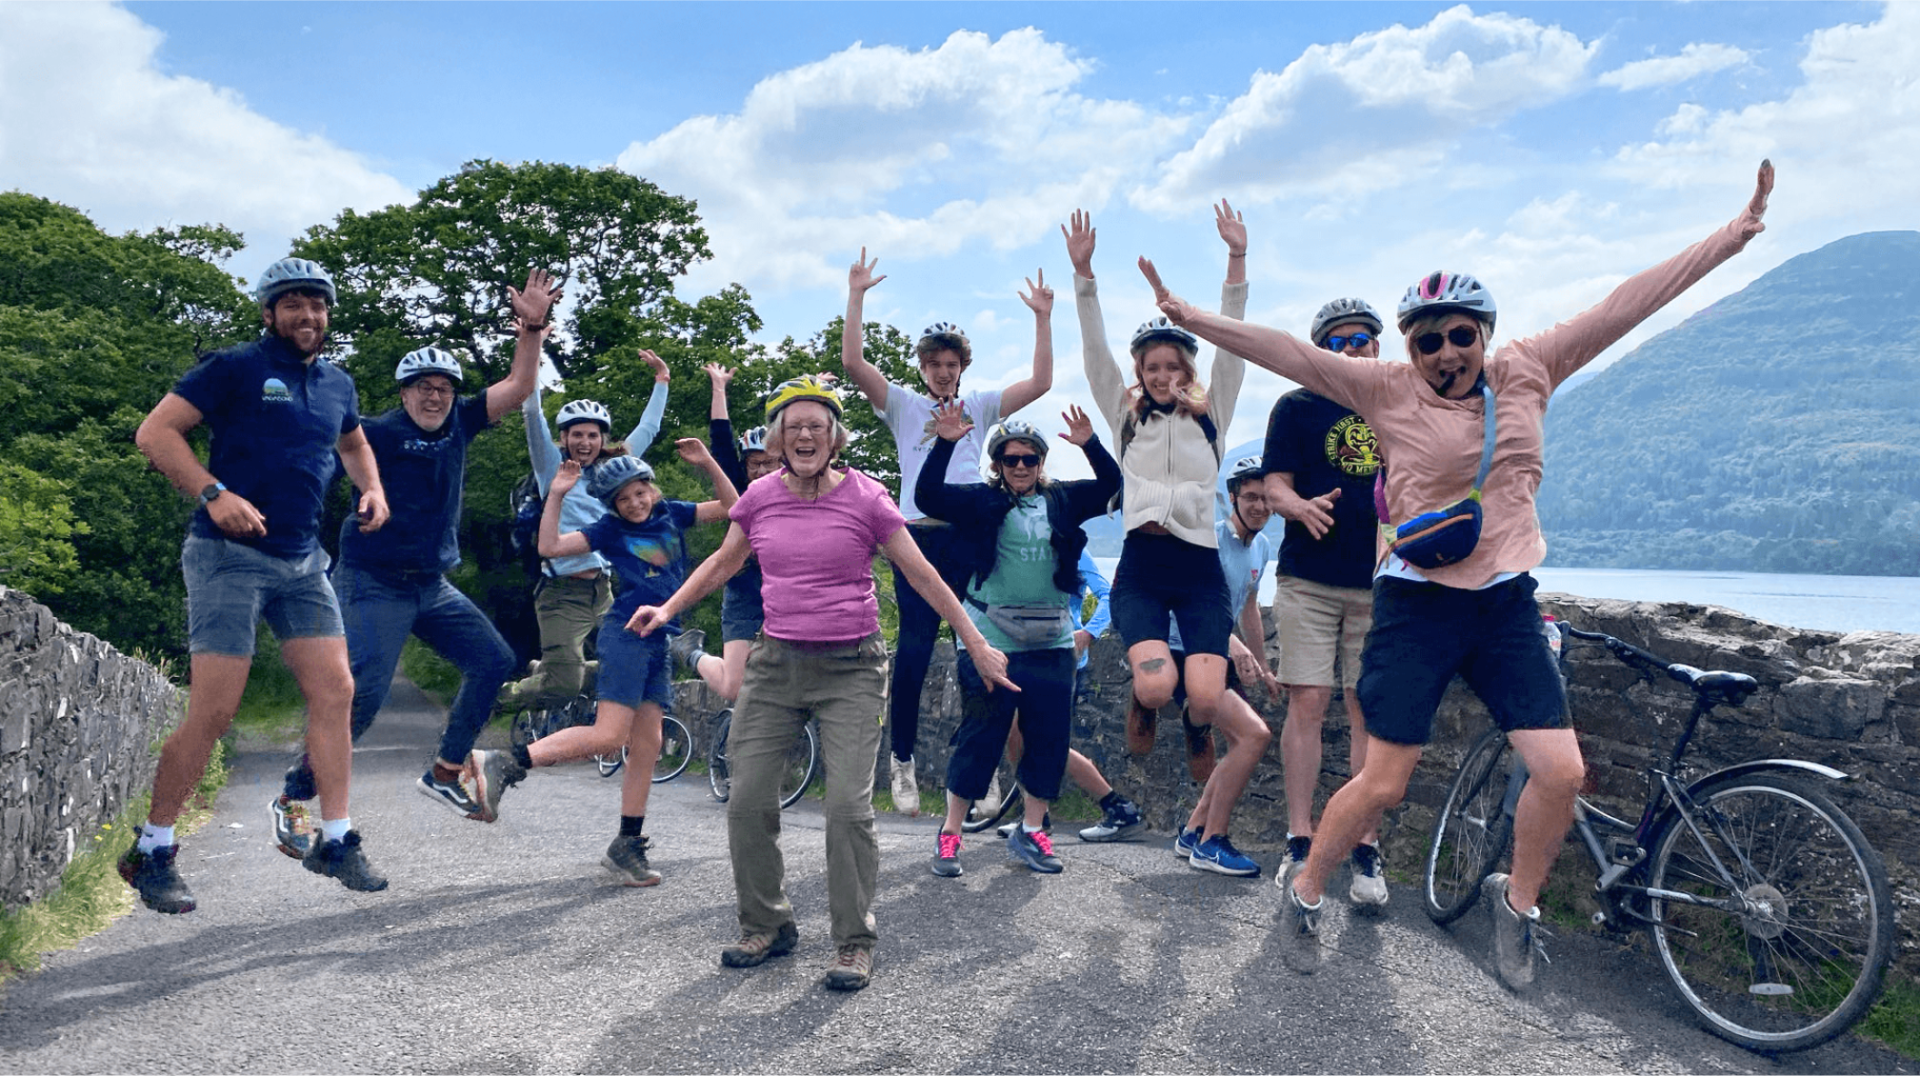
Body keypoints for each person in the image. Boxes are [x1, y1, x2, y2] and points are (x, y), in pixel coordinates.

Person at [1140, 160, 1775, 988]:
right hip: (1415, 601)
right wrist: (1190, 316)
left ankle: (1519, 909)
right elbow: (1288, 352)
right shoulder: (1386, 386)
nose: (1446, 350)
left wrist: (1735, 233)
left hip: (1505, 601)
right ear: (1410, 345)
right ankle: (1307, 887)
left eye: (1460, 333)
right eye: (1427, 337)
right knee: (1384, 781)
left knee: (1563, 770)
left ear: (1485, 332)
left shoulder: (1531, 368)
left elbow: (1629, 302)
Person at [626, 375, 1016, 993]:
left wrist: (974, 640)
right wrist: (668, 610)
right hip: (776, 662)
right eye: (792, 426)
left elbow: (920, 575)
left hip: (852, 667)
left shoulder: (867, 498)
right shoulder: (758, 498)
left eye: (817, 425)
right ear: (778, 438)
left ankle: (854, 941)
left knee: (847, 807)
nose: (804, 434)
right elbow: (724, 562)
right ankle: (768, 924)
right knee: (749, 797)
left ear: (835, 438)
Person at [122, 257, 391, 913]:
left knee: (337, 692)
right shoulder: (234, 368)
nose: (308, 316)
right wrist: (214, 494)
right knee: (215, 710)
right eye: (293, 304)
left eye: (318, 305)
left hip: (303, 561)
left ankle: (335, 837)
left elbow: (352, 444)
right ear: (269, 312)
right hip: (226, 556)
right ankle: (152, 850)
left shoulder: (336, 384)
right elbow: (155, 433)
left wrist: (374, 488)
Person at [271, 271, 559, 848]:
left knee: (493, 661)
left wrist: (531, 328)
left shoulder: (461, 423)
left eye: (444, 387)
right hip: (372, 581)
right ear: (403, 393)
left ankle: (445, 772)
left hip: (432, 585)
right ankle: (293, 796)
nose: (435, 395)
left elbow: (520, 385)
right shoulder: (374, 433)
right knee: (363, 697)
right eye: (422, 386)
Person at [1064, 200, 1257, 875]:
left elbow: (1234, 343)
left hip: (1200, 568)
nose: (1165, 376)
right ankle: (1146, 707)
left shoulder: (1213, 416)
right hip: (1144, 566)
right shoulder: (1125, 421)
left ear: (1190, 371)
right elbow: (1093, 350)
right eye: (1153, 367)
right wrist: (1083, 276)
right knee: (1153, 686)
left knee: (1203, 698)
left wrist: (1235, 261)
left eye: (1176, 367)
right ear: (1140, 372)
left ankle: (1194, 722)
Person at [468, 438, 738, 886]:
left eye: (640, 492)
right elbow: (550, 547)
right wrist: (555, 493)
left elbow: (735, 508)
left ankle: (626, 844)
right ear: (612, 505)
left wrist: (709, 461)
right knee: (610, 735)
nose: (634, 502)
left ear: (651, 488)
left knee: (648, 742)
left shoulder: (672, 511)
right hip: (627, 635)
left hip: (660, 638)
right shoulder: (609, 531)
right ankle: (505, 762)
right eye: (623, 498)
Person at [840, 251, 1054, 814]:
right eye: (933, 362)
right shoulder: (904, 406)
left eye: (950, 362)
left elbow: (1041, 382)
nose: (942, 370)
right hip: (915, 536)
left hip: (968, 537)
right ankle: (902, 761)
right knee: (912, 648)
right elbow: (854, 364)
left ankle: (974, 769)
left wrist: (1042, 317)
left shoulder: (980, 407)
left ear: (962, 366)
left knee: (975, 650)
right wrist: (857, 294)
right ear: (923, 367)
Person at [916, 385, 1123, 878]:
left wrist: (1091, 444)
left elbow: (1113, 483)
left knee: (1048, 740)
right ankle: (950, 835)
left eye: (1030, 459)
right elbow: (927, 496)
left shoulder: (1063, 499)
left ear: (1041, 461)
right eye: (1011, 460)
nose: (1021, 467)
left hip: (1051, 639)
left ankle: (1034, 832)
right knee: (981, 738)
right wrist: (945, 442)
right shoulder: (980, 502)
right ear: (998, 464)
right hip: (993, 637)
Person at [1262, 297, 1390, 908]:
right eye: (1337, 342)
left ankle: (1366, 848)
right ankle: (1299, 838)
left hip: (1381, 582)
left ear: (1377, 344)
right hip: (1308, 579)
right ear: (1318, 352)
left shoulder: (1397, 400)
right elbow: (1273, 484)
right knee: (1307, 701)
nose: (1351, 349)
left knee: (1365, 707)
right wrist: (1298, 506)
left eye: (1361, 338)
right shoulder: (1295, 407)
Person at [495, 348, 673, 710]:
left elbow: (650, 429)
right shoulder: (552, 469)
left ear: (602, 439)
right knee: (563, 688)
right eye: (576, 434)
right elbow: (532, 415)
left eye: (592, 435)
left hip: (603, 589)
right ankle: (497, 696)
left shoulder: (615, 469)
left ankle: (553, 668)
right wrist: (532, 348)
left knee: (631, 661)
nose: (585, 442)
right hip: (561, 592)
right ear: (564, 438)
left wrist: (662, 381)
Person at [1159, 457, 1278, 877]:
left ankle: (1193, 831)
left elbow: (1248, 607)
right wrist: (1234, 646)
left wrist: (1261, 665)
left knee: (1242, 740)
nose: (1259, 506)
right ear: (1231, 498)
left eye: (1266, 498)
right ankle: (1212, 842)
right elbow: (1192, 605)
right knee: (1253, 736)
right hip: (1184, 653)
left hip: (1216, 654)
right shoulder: (1206, 540)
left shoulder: (1261, 547)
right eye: (1250, 497)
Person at [669, 362, 791, 712]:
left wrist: (813, 391)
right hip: (743, 587)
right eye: (755, 463)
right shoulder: (740, 489)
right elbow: (721, 440)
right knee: (732, 687)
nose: (762, 470)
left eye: (770, 462)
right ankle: (691, 652)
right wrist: (719, 387)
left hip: (787, 588)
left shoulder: (797, 490)